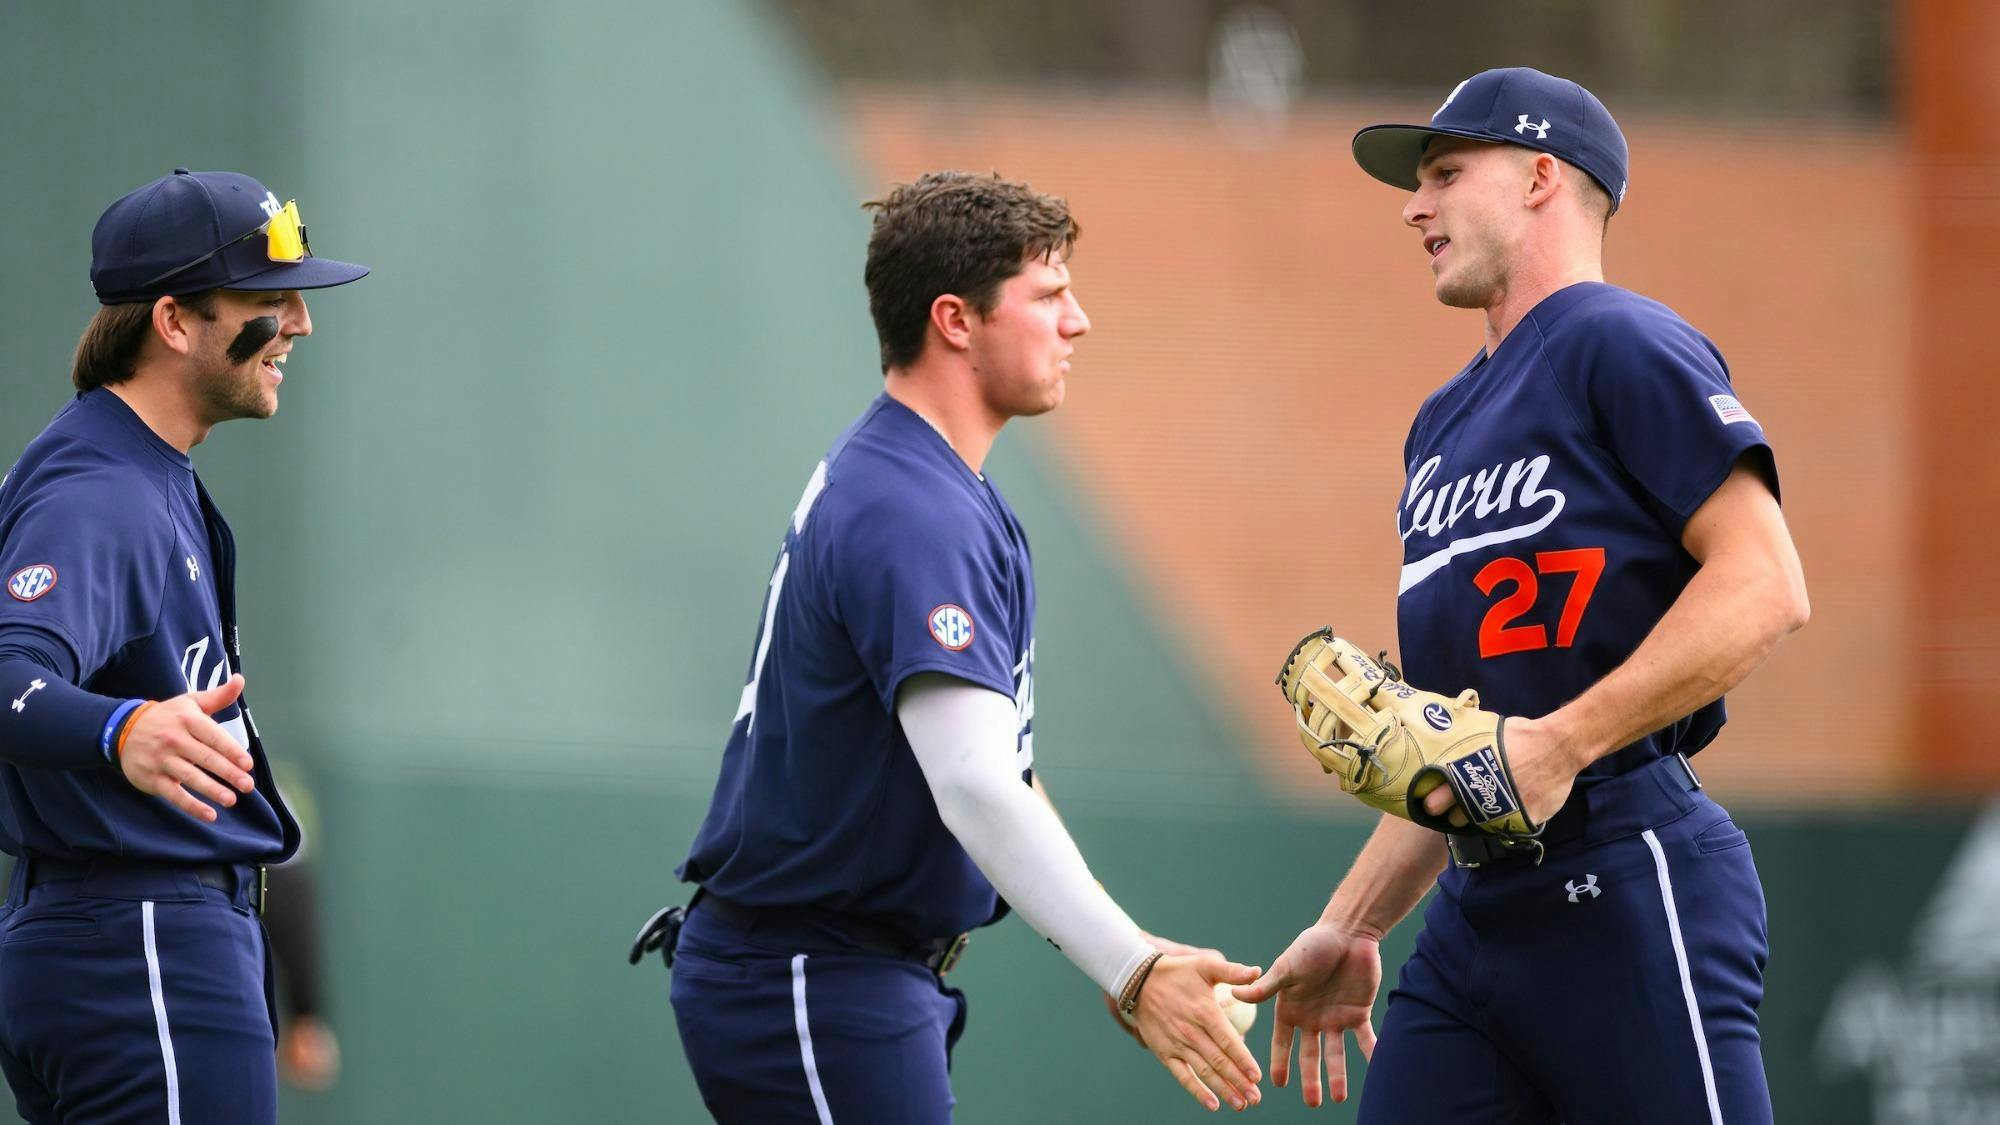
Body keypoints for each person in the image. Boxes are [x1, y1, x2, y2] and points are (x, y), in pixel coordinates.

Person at [1234, 68, 1809, 1123]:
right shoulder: (1438, 425)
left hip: (1626, 867)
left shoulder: (1616, 341)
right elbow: (1462, 743)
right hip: (1476, 910)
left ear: (1542, 175)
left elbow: (1764, 583)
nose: (1415, 205)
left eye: (1446, 173)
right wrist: (1353, 922)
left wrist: (1562, 742)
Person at [655, 171, 1264, 1121]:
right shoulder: (914, 507)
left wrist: (1122, 952)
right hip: (812, 975)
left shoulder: (934, 487)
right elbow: (976, 784)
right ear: (956, 319)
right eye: (1050, 294)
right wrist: (1134, 967)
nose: (1079, 322)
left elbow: (1003, 774)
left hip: (847, 975)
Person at [0, 168, 367, 1124]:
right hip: (142, 939)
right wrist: (120, 728)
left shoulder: (137, 469)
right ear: (173, 321)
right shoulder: (104, 490)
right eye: (265, 299)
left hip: (125, 932)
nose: (299, 322)